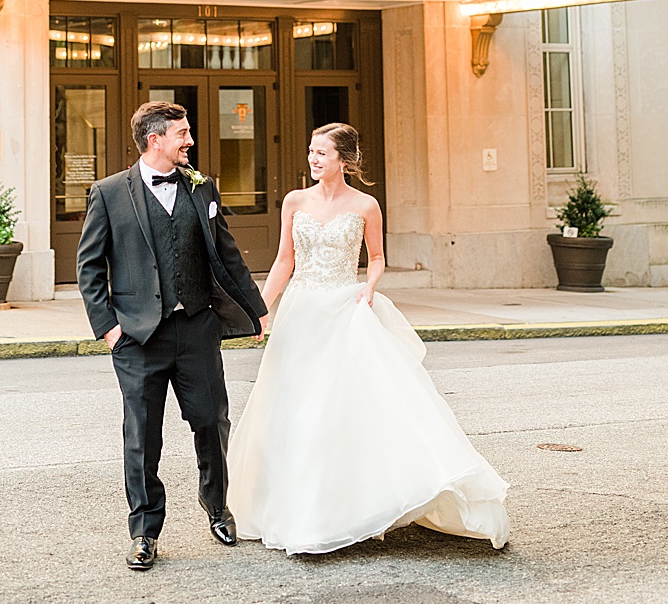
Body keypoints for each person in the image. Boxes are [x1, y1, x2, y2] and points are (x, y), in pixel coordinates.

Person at [227, 123, 509, 555]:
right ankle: (295, 508)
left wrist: (370, 287)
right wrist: (260, 310)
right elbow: (285, 260)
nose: (313, 159)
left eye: (322, 153)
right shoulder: (294, 201)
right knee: (293, 408)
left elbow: (376, 258)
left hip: (345, 310)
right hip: (301, 314)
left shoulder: (366, 205)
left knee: (338, 408)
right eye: (311, 151)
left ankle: (348, 506)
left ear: (344, 159)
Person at [76, 100, 269, 572]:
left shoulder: (202, 188)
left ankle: (217, 507)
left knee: (210, 422)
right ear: (154, 140)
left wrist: (258, 312)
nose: (190, 140)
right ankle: (144, 532)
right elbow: (88, 267)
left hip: (198, 329)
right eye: (182, 133)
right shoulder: (108, 193)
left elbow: (227, 255)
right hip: (138, 338)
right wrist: (109, 329)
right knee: (142, 437)